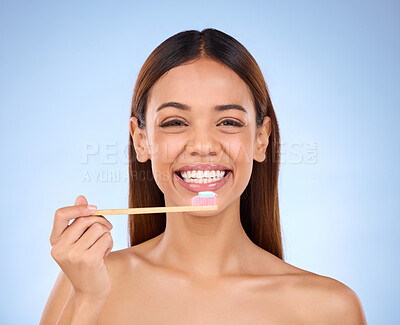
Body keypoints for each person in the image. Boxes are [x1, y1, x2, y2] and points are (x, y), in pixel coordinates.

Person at [40, 28, 367, 324]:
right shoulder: (84, 282)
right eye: (174, 122)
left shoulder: (330, 309)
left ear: (260, 139)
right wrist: (89, 300)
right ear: (141, 140)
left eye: (228, 122)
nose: (202, 146)